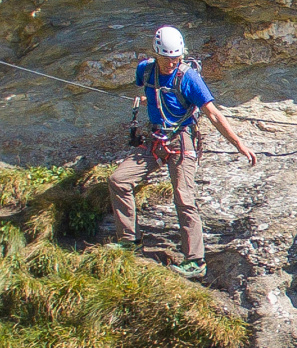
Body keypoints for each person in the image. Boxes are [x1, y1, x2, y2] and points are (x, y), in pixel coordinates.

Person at [108, 25, 256, 277]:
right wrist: (148, 101)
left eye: (175, 58)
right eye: (166, 58)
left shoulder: (189, 77)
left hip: (181, 139)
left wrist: (238, 143)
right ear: (156, 54)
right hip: (156, 137)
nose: (170, 63)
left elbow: (213, 114)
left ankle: (195, 261)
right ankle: (129, 240)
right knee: (118, 180)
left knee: (184, 198)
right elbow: (153, 90)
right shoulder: (145, 70)